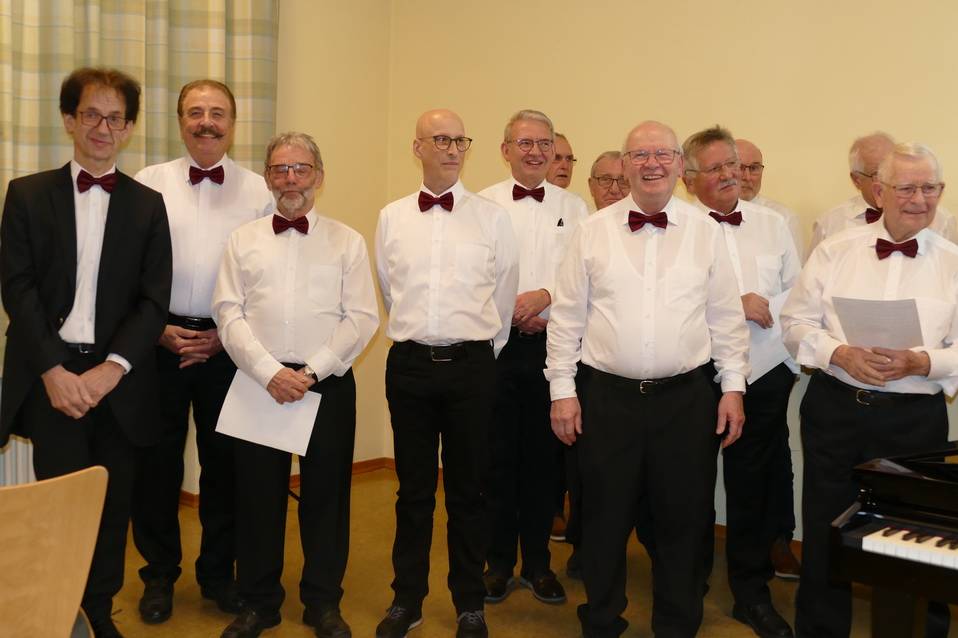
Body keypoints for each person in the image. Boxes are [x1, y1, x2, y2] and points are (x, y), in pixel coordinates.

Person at [547, 121, 749, 638]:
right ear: (625, 164)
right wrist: (562, 392)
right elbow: (567, 317)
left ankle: (677, 625)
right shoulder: (592, 231)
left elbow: (726, 317)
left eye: (662, 154)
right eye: (640, 155)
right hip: (606, 399)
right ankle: (601, 620)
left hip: (686, 401)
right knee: (603, 520)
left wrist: (732, 388)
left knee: (684, 522)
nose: (652, 163)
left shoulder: (706, 232)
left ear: (680, 165)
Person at [0, 67, 172, 638]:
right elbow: (17, 288)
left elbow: (153, 300)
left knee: (112, 507)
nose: (103, 128)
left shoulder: (149, 205)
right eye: (91, 114)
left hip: (117, 378)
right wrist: (52, 369)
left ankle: (98, 612)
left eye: (115, 118)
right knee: (60, 507)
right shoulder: (26, 194)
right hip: (51, 375)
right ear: (69, 120)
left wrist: (111, 370)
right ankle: (59, 615)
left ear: (129, 128)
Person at [781, 142, 954, 638]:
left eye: (930, 188)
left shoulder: (953, 262)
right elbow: (794, 323)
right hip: (836, 410)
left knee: (917, 539)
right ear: (879, 192)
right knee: (825, 528)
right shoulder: (835, 250)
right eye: (907, 188)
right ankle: (820, 629)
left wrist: (924, 361)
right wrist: (839, 353)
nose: (919, 199)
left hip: (914, 423)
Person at [212, 132, 378, 638]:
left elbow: (362, 318)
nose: (290, 179)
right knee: (257, 499)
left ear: (319, 177)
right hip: (258, 382)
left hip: (324, 384)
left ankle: (322, 603)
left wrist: (310, 372)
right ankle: (259, 603)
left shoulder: (347, 241)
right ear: (268, 178)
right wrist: (269, 372)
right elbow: (228, 313)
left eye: (301, 169)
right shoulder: (242, 240)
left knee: (327, 499)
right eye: (280, 169)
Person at [131, 79, 273, 624]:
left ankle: (218, 575)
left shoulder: (259, 191)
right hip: (159, 343)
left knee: (224, 470)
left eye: (217, 113)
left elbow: (268, 279)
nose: (206, 122)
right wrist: (156, 329)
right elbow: (127, 269)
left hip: (227, 348)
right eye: (195, 112)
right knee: (156, 469)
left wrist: (226, 335)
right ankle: (158, 576)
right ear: (179, 121)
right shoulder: (147, 183)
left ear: (232, 124)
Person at [374, 109, 519, 638]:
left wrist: (476, 352)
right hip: (410, 367)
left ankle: (469, 603)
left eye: (460, 140)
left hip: (472, 369)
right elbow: (391, 292)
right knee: (412, 492)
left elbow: (503, 299)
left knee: (469, 492)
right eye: (441, 139)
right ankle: (406, 600)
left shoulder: (492, 219)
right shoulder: (391, 217)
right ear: (417, 147)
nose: (453, 148)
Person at [682, 126, 800, 638]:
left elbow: (798, 296)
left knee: (752, 488)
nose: (732, 174)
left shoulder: (774, 225)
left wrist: (781, 350)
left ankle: (750, 592)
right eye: (716, 168)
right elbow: (661, 304)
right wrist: (736, 304)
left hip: (764, 374)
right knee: (688, 487)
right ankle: (686, 585)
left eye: (733, 164)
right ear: (689, 178)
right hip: (696, 375)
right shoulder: (675, 226)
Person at [479, 109, 588, 607]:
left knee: (545, 464)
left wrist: (545, 297)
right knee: (498, 461)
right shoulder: (481, 205)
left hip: (554, 349)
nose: (536, 152)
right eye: (525, 143)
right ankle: (498, 564)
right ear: (506, 150)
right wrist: (510, 312)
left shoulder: (577, 208)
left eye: (545, 143)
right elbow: (473, 278)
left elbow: (584, 278)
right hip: (497, 349)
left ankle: (539, 565)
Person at [809, 133, 956, 253]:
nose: (918, 199)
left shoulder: (943, 221)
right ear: (856, 180)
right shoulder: (830, 226)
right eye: (878, 173)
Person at [735, 138, 805, 262]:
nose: (747, 177)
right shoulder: (705, 216)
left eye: (754, 168)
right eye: (740, 167)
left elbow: (797, 272)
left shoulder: (784, 218)